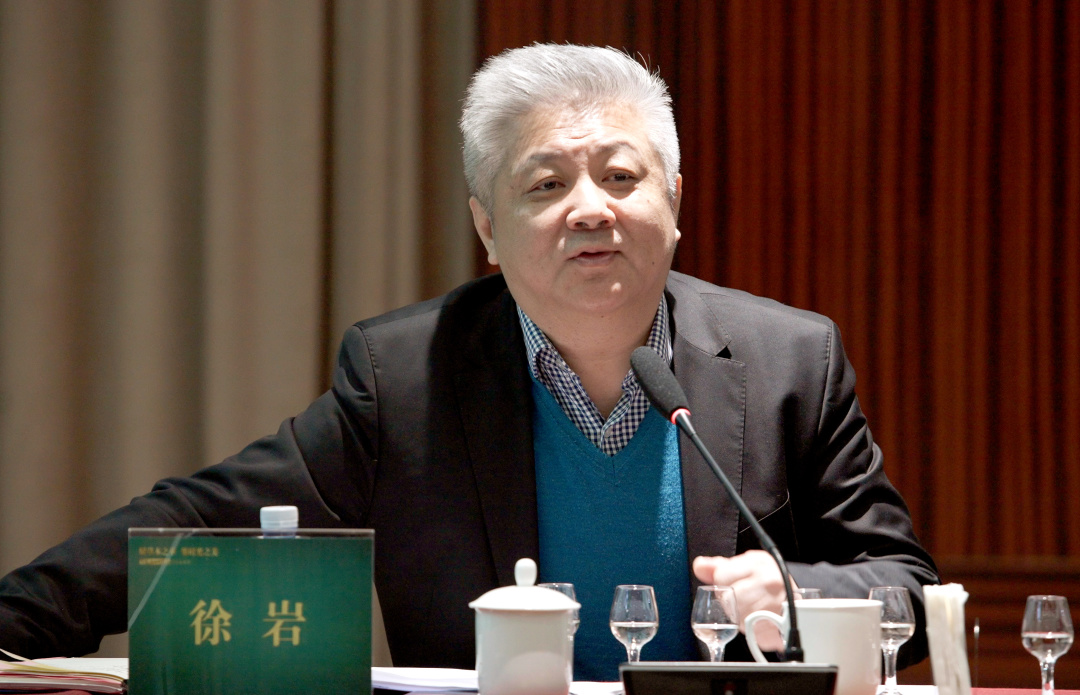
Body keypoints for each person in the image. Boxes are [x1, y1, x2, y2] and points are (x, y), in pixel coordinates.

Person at [0, 44, 938, 681]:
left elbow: (908, 589)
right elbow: (200, 522)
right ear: (487, 228)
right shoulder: (407, 377)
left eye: (621, 176)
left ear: (676, 201)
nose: (591, 207)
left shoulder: (788, 361)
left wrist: (799, 594)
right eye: (547, 183)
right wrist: (16, 621)